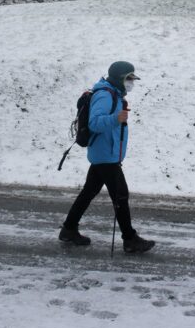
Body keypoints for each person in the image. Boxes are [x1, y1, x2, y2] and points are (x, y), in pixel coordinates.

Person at [59, 61, 155, 253]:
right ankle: (130, 239)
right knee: (121, 196)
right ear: (119, 78)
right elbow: (95, 123)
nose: (131, 82)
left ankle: (68, 229)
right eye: (129, 78)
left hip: (104, 154)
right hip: (105, 156)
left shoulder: (114, 94)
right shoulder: (105, 94)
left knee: (89, 192)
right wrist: (115, 119)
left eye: (132, 79)